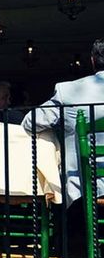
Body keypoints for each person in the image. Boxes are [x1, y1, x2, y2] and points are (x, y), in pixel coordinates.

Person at [22, 39, 104, 206]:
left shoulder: (68, 92)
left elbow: (30, 122)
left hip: (87, 192)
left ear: (92, 61)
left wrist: (58, 128)